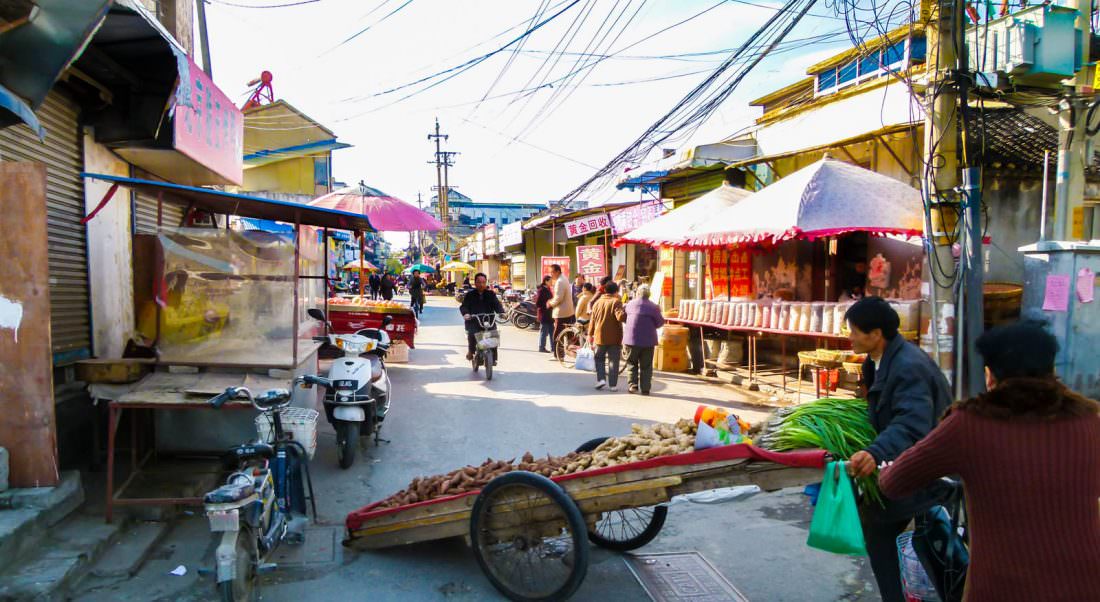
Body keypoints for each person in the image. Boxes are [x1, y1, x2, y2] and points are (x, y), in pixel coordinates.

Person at [877, 321, 1100, 601]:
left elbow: (893, 483)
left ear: (990, 375)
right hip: (1086, 585)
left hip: (1004, 589)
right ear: (1052, 371)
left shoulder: (970, 424)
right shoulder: (1089, 420)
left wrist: (884, 470)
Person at [843, 296, 951, 602]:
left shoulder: (907, 366)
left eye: (854, 331)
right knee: (888, 533)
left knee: (883, 530)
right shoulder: (875, 362)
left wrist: (876, 451)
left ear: (875, 334)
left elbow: (911, 424)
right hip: (909, 462)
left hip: (927, 466)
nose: (849, 336)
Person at [623, 284, 663, 395]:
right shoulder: (654, 307)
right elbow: (660, 323)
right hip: (648, 341)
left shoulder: (630, 305)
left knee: (632, 363)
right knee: (646, 365)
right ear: (649, 294)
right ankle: (645, 388)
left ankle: (633, 385)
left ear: (637, 293)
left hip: (631, 340)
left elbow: (625, 318)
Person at [459, 272, 505, 365]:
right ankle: (471, 352)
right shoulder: (470, 295)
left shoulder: (491, 294)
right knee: (472, 335)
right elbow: (464, 306)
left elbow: (497, 304)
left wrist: (501, 312)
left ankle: (493, 358)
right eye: (479, 282)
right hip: (474, 321)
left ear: (486, 283)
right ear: (475, 283)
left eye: (483, 282)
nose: (481, 284)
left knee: (493, 335)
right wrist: (466, 314)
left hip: (489, 320)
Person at [587, 281, 626, 391]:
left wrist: (590, 334)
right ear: (616, 292)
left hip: (599, 336)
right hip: (614, 337)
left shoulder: (597, 303)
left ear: (604, 290)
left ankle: (601, 379)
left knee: (599, 358)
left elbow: (592, 321)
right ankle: (613, 385)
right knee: (613, 360)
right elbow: (620, 317)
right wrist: (626, 311)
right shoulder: (616, 302)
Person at [547, 264, 576, 358]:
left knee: (557, 335)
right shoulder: (564, 278)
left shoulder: (560, 281)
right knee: (565, 334)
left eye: (552, 272)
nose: (551, 274)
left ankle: (558, 355)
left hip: (561, 313)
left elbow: (558, 298)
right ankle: (562, 354)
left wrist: (550, 303)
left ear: (558, 272)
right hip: (568, 311)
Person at [535, 275, 554, 353]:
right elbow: (537, 303)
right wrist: (546, 305)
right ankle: (541, 347)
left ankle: (553, 348)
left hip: (550, 314)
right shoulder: (541, 290)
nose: (552, 282)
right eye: (550, 281)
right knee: (544, 332)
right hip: (544, 314)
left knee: (552, 332)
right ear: (546, 281)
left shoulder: (548, 289)